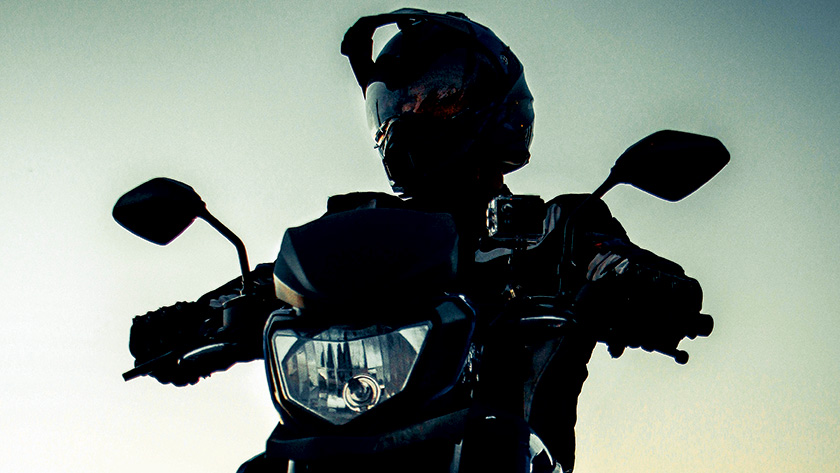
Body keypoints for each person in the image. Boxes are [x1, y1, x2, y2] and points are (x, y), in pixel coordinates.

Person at [127, 9, 705, 473]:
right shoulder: (364, 235)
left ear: (495, 103)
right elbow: (278, 283)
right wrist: (194, 319)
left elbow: (606, 258)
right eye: (395, 102)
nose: (407, 115)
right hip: (347, 440)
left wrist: (636, 283)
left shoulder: (555, 226)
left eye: (434, 96)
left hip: (502, 443)